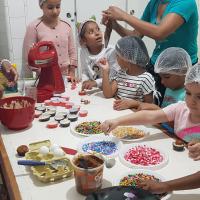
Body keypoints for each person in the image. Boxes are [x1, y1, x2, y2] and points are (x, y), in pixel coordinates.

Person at [102, 0, 198, 103]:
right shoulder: (154, 3)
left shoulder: (185, 2)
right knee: (153, 107)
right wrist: (115, 25)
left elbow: (160, 32)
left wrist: (124, 16)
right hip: (156, 65)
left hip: (179, 70)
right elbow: (136, 36)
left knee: (174, 111)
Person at [101, 63, 200, 143]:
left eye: (199, 96)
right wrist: (117, 121)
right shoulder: (180, 108)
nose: (192, 100)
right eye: (188, 93)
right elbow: (148, 116)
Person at [23, 0, 78, 83]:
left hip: (67, 77)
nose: (55, 11)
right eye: (50, 7)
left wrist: (72, 72)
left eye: (58, 6)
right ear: (41, 6)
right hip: (45, 79)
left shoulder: (66, 26)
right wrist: (43, 74)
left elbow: (72, 51)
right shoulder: (34, 27)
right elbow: (29, 57)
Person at [98, 36, 157, 108]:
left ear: (126, 58)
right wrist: (105, 71)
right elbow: (108, 94)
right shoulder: (120, 73)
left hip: (133, 116)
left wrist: (133, 104)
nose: (116, 59)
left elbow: (151, 106)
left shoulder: (146, 78)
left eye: (117, 56)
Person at [134, 47, 192, 111]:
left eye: (166, 77)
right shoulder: (170, 88)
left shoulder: (189, 94)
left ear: (183, 71)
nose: (162, 82)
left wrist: (157, 109)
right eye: (160, 77)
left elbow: (181, 119)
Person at [78, 19, 120, 90]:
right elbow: (85, 71)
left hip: (111, 90)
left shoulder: (110, 50)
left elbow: (114, 76)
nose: (97, 33)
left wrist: (95, 83)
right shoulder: (83, 52)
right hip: (95, 90)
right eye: (91, 32)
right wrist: (85, 81)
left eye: (98, 29)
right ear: (83, 40)